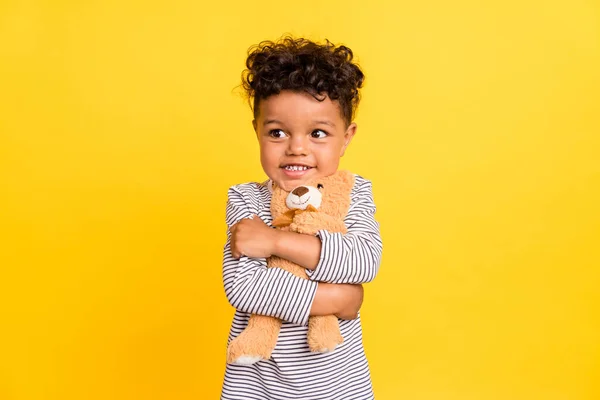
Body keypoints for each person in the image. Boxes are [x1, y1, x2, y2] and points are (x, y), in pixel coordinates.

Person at [221, 36, 383, 400]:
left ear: (346, 138)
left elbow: (364, 261)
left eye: (318, 133)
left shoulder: (354, 194)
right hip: (258, 387)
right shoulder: (246, 200)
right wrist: (340, 299)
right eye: (277, 132)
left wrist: (276, 241)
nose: (297, 147)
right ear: (257, 131)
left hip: (340, 386)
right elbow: (245, 289)